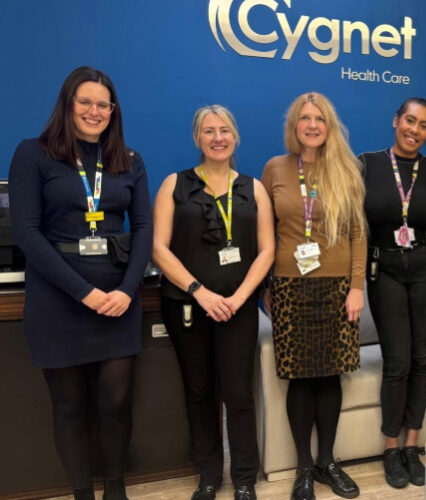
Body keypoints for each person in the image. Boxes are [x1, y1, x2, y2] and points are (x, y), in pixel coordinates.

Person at [9, 66, 152, 500]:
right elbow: (27, 233)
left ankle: (115, 490)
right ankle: (81, 494)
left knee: (116, 404)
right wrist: (84, 292)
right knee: (69, 406)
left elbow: (144, 227)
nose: (95, 111)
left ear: (114, 110)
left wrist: (126, 291)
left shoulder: (129, 161)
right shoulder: (33, 154)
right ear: (68, 105)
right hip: (59, 299)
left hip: (117, 300)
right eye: (85, 102)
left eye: (103, 104)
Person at [152, 105, 274, 500]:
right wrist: (200, 292)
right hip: (187, 306)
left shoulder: (253, 189)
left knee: (238, 393)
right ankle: (208, 474)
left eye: (225, 130)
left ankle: (243, 478)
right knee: (200, 391)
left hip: (238, 309)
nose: (217, 137)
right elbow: (158, 248)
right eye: (209, 131)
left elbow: (268, 250)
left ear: (235, 137)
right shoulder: (175, 184)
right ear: (197, 138)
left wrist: (239, 298)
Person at [261, 92, 366, 500]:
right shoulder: (275, 168)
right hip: (289, 285)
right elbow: (264, 230)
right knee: (300, 379)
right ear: (294, 125)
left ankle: (327, 463)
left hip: (338, 285)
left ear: (330, 126)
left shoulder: (347, 169)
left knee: (330, 375)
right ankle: (303, 468)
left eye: (319, 118)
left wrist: (356, 287)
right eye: (304, 118)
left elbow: (358, 233)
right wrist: (267, 283)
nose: (312, 125)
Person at [359, 97, 426, 489]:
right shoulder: (366, 164)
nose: (415, 130)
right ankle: (391, 448)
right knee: (397, 361)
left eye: (424, 125)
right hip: (385, 268)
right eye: (409, 121)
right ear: (395, 120)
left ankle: (413, 446)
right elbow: (357, 221)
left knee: (422, 358)